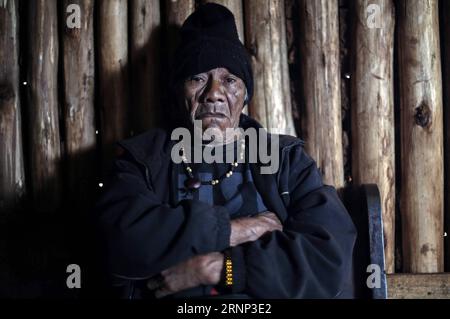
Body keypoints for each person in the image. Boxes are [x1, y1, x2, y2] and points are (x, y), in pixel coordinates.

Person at [94, 3, 356, 299]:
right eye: (198, 78)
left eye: (229, 80)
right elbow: (117, 238)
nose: (214, 93)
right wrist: (232, 231)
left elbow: (327, 257)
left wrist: (222, 268)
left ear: (245, 95)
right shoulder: (143, 159)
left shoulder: (285, 160)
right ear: (179, 90)